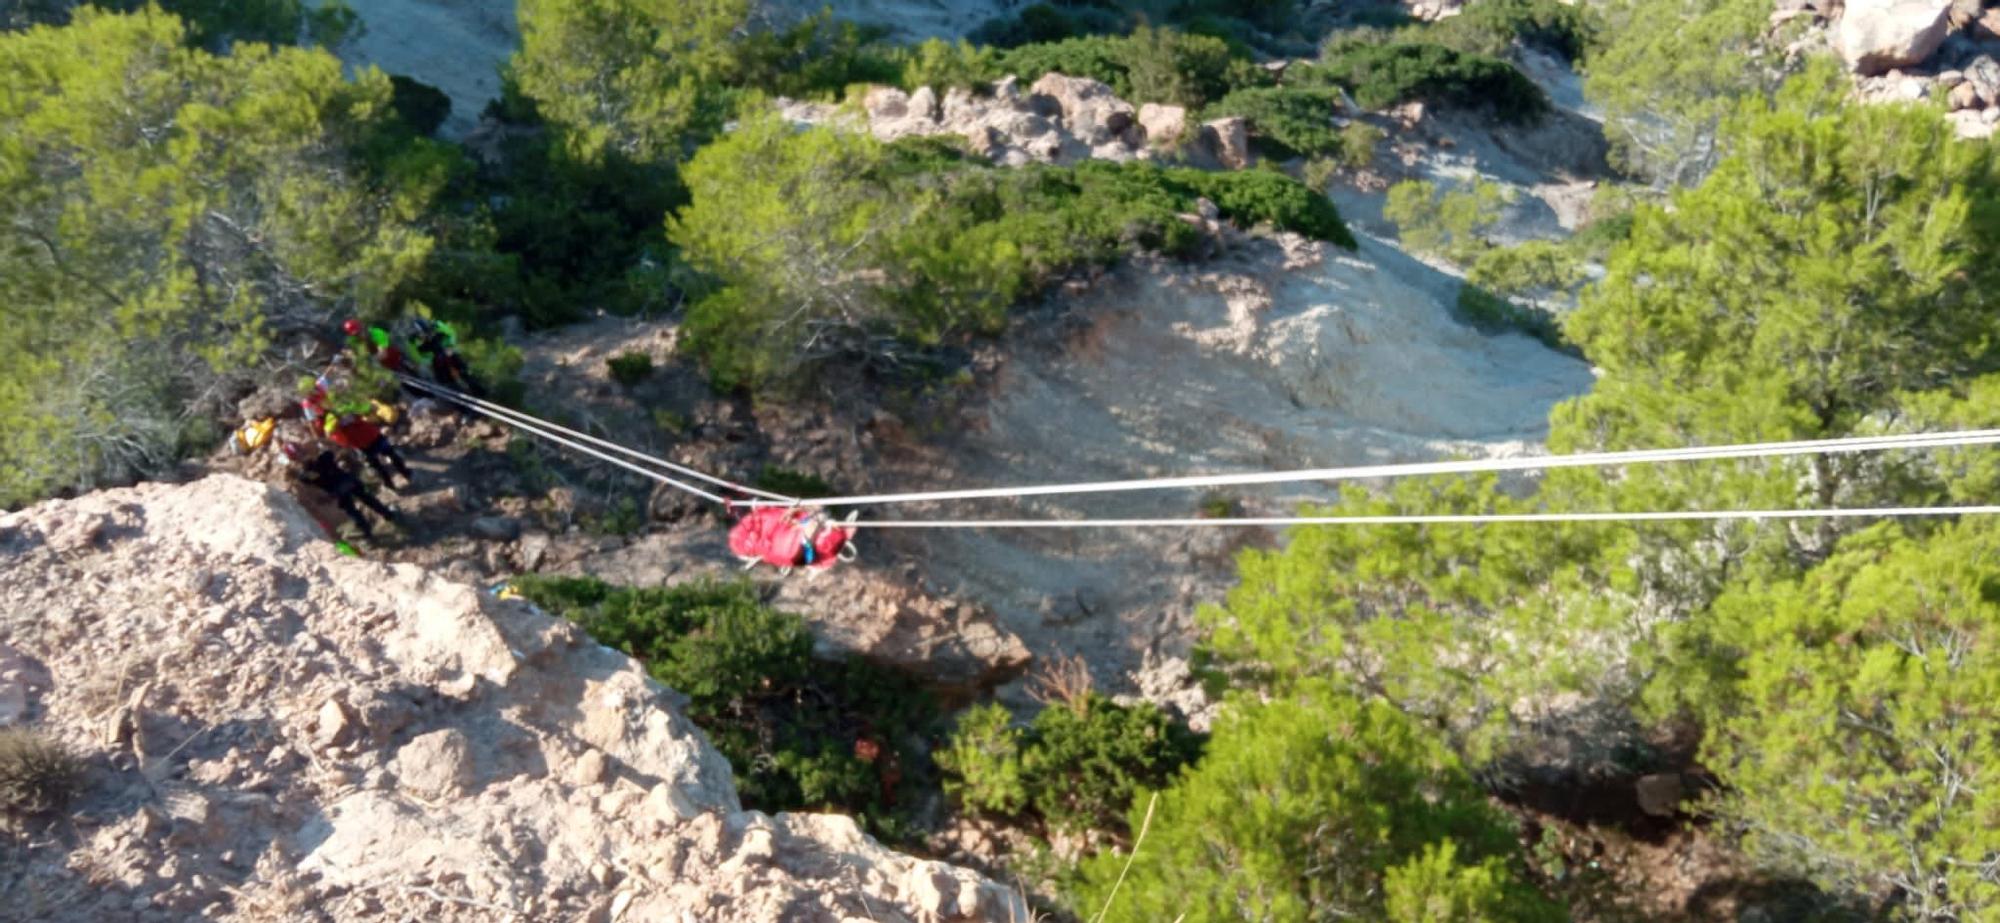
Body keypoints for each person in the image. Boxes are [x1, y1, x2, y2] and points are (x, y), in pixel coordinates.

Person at [282, 442, 400, 541]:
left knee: (353, 511)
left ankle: (368, 533)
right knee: (368, 500)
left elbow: (310, 482)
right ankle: (388, 515)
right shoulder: (324, 457)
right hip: (348, 481)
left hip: (337, 490)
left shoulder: (306, 473)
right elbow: (331, 452)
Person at [727, 506, 857, 574]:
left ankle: (823, 526)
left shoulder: (809, 555)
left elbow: (809, 529)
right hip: (755, 539)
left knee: (812, 521)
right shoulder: (810, 558)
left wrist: (809, 518)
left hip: (761, 534)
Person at [324, 411, 413, 489]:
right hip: (367, 440)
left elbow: (364, 412)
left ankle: (399, 477)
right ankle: (394, 480)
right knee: (381, 462)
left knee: (384, 459)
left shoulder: (344, 410)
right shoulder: (333, 418)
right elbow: (330, 433)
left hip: (367, 439)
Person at [409, 318, 483, 398]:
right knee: (443, 377)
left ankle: (475, 386)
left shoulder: (438, 333)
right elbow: (417, 357)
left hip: (448, 354)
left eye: (427, 332)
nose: (426, 335)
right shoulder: (419, 345)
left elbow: (451, 334)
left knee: (456, 360)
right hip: (437, 363)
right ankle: (454, 391)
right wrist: (412, 345)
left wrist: (440, 325)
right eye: (422, 334)